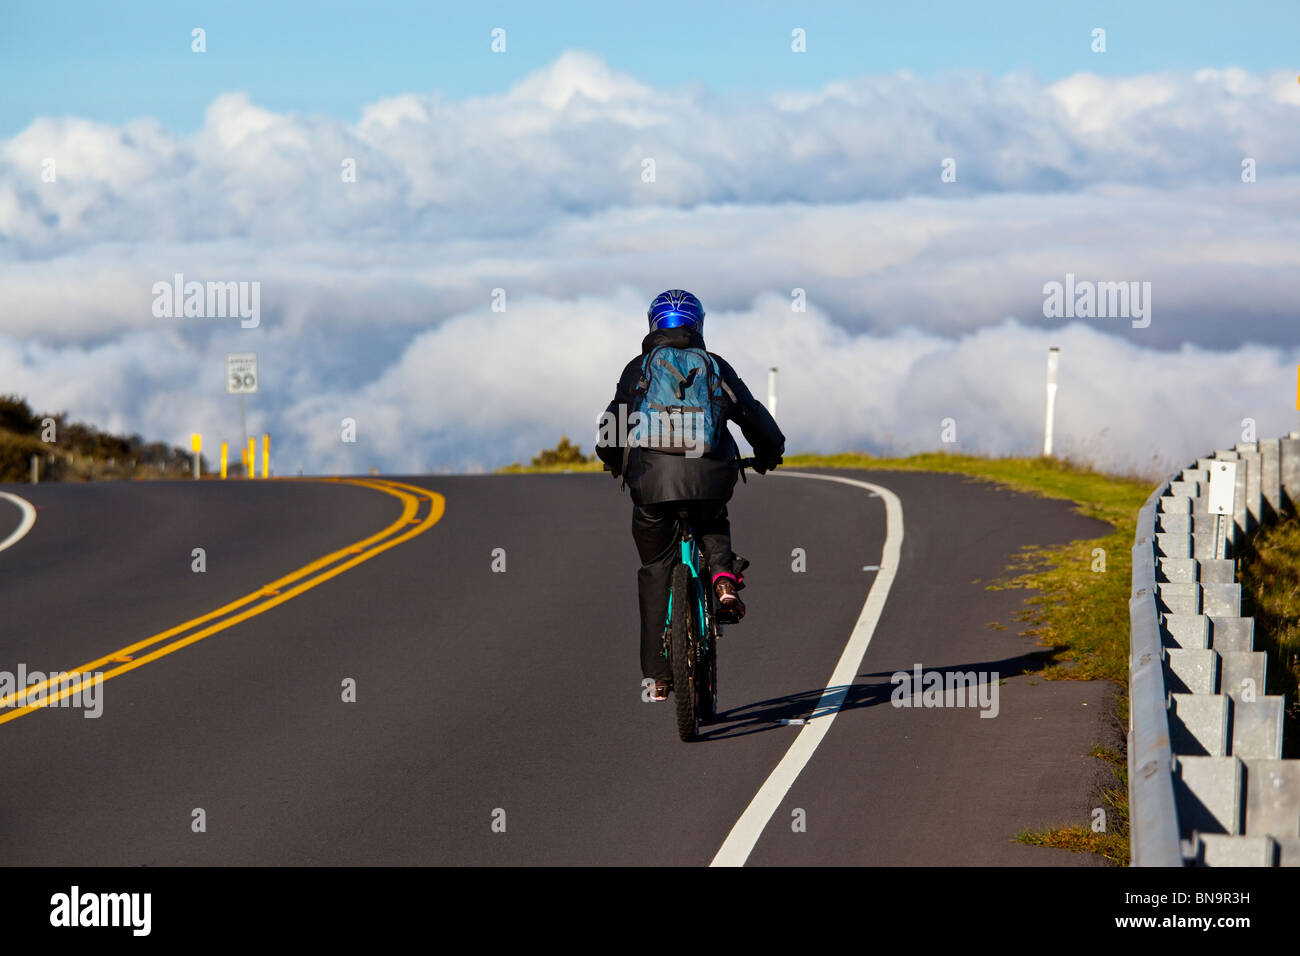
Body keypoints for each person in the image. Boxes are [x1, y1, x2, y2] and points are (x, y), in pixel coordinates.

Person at [594, 290, 785, 702]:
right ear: (698, 324)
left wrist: (611, 460)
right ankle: (722, 579)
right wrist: (770, 454)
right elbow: (751, 414)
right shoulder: (714, 366)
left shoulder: (639, 369)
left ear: (653, 324)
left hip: (652, 482)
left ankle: (658, 678)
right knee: (712, 516)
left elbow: (614, 422)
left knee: (655, 570)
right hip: (709, 476)